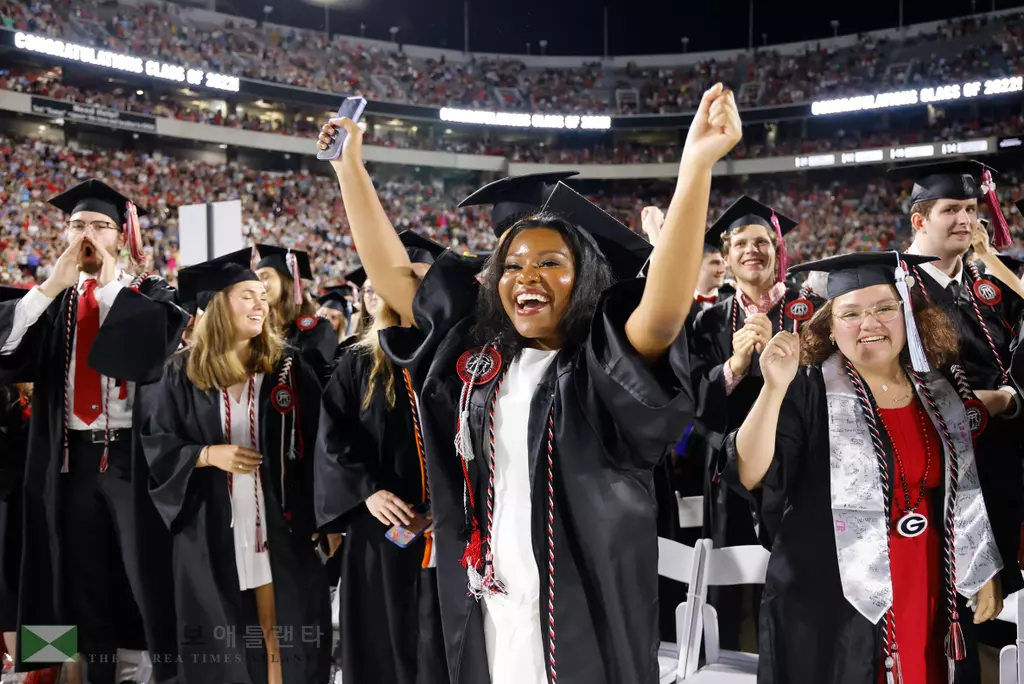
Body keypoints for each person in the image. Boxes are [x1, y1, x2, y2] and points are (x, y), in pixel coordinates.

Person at [319, 82, 739, 684]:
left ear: (584, 280)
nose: (526, 276)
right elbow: (392, 274)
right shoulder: (481, 361)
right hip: (491, 597)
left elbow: (664, 310)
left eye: (550, 263)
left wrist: (695, 168)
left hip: (579, 606)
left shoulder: (598, 364)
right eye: (512, 264)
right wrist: (349, 168)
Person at [729, 250, 1004, 684]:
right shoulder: (807, 389)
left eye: (883, 308)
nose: (869, 324)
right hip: (834, 596)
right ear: (832, 329)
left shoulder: (938, 392)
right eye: (851, 313)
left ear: (907, 315)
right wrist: (772, 390)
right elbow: (748, 472)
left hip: (928, 579)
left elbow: (966, 491)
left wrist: (982, 570)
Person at [0, 180, 187, 683]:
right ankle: (66, 670)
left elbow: (152, 351)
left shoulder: (150, 294)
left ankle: (149, 672)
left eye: (100, 226)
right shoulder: (52, 301)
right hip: (67, 459)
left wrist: (106, 288)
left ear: (121, 237)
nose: (86, 235)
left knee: (138, 568)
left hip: (132, 458)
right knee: (67, 572)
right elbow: (7, 350)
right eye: (77, 225)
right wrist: (48, 287)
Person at [141, 248, 331, 684]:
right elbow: (158, 443)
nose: (261, 303)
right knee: (226, 637)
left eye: (263, 295)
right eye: (248, 294)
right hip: (214, 524)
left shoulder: (287, 367)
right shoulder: (180, 373)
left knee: (282, 629)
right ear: (217, 305)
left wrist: (325, 519)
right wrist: (207, 455)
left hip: (281, 524)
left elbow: (320, 442)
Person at [686, 193, 820, 649]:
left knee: (788, 582)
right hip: (728, 471)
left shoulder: (811, 311)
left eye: (762, 242)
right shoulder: (708, 322)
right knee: (725, 580)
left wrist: (782, 365)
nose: (752, 251)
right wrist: (735, 366)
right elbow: (693, 399)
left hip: (795, 465)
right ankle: (717, 658)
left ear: (777, 251)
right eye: (741, 243)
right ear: (726, 256)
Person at [315, 231, 449, 684]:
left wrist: (454, 501)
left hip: (452, 528)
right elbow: (333, 439)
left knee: (445, 639)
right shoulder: (358, 360)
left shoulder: (462, 356)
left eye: (421, 279)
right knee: (379, 639)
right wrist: (368, 493)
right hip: (382, 527)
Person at [891, 160, 1024, 606]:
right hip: (938, 474)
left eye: (971, 208)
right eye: (950, 209)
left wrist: (1007, 399)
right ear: (919, 219)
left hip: (1002, 459)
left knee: (1002, 614)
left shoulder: (986, 284)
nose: (966, 219)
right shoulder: (893, 291)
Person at [253, 245, 337, 384]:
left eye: (265, 277)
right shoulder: (258, 333)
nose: (258, 285)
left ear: (286, 281)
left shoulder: (318, 331)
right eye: (256, 279)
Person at [694, 244, 728, 310]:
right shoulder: (678, 303)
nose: (722, 270)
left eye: (723, 263)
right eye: (715, 263)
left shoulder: (733, 303)